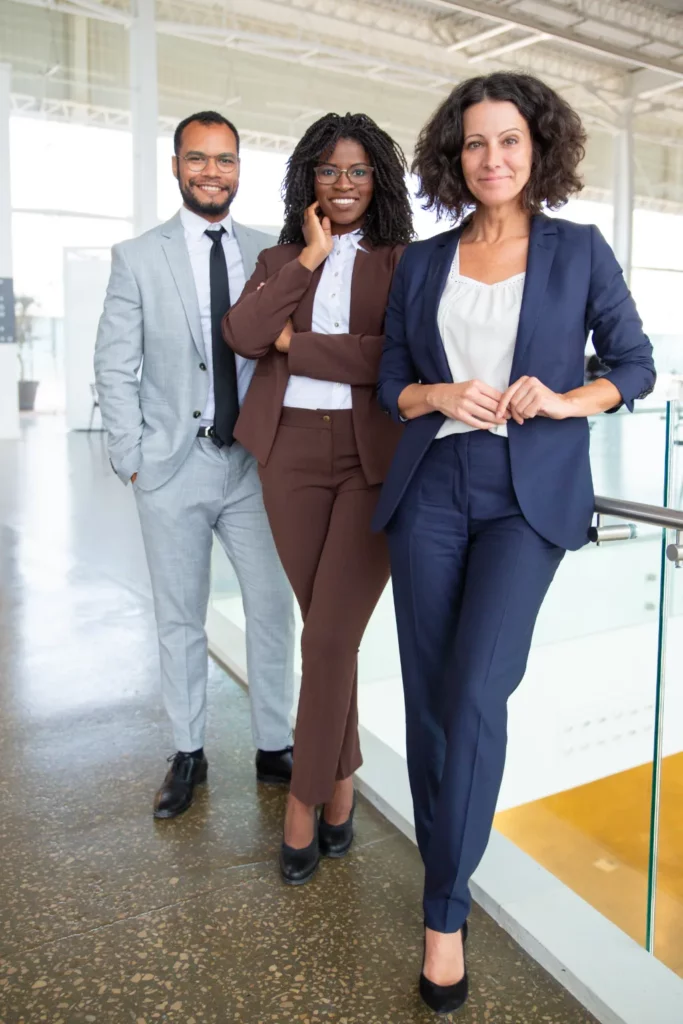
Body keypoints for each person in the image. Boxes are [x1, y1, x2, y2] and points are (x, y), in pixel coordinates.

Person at [373, 73, 656, 1014]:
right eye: (473, 145)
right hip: (430, 490)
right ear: (453, 159)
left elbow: (634, 363)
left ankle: (444, 907)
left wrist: (564, 396)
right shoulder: (424, 262)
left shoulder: (576, 250)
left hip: (524, 498)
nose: (491, 159)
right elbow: (390, 382)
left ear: (537, 150)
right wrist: (439, 394)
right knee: (427, 703)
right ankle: (442, 904)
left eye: (508, 142)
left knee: (474, 689)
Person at [224, 112, 413, 884]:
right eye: (330, 171)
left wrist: (298, 347)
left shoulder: (405, 263)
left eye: (358, 172)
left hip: (372, 460)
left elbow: (393, 357)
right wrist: (308, 258)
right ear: (308, 179)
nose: (343, 185)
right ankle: (342, 788)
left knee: (329, 639)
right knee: (326, 634)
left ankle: (304, 805)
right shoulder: (279, 257)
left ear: (379, 182)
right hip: (289, 456)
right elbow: (242, 333)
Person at [94, 111, 295, 821]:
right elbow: (114, 367)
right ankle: (188, 751)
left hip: (255, 466)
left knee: (273, 609)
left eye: (226, 160)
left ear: (240, 168)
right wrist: (131, 459)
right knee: (181, 619)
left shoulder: (274, 253)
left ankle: (276, 745)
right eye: (198, 159)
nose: (212, 172)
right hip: (172, 468)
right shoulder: (137, 257)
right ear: (176, 166)